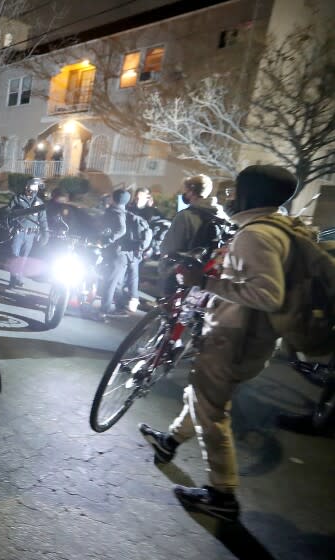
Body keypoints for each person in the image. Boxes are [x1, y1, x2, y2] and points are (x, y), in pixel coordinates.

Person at [138, 165, 300, 522]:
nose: (230, 195)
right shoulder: (278, 228)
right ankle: (169, 442)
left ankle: (222, 495)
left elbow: (267, 294)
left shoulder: (255, 235)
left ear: (252, 194)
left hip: (235, 340)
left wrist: (205, 283)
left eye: (237, 189)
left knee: (212, 414)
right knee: (201, 395)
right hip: (246, 337)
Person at [158, 175, 230, 294]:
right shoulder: (223, 216)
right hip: (211, 276)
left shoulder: (185, 216)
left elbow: (169, 247)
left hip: (184, 274)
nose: (184, 195)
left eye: (185, 191)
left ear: (191, 192)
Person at [97, 188, 137, 318]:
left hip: (117, 253)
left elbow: (121, 230)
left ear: (113, 199)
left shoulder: (116, 213)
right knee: (116, 282)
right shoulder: (121, 212)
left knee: (111, 282)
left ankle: (105, 309)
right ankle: (120, 306)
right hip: (120, 254)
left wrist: (107, 241)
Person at [6, 177, 48, 289]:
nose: (27, 189)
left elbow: (43, 221)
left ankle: (18, 279)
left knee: (24, 258)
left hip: (30, 235)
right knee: (15, 256)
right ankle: (13, 280)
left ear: (35, 189)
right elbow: (7, 214)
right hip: (18, 233)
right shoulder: (17, 199)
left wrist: (45, 235)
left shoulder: (39, 203)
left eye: (30, 187)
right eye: (27, 187)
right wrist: (10, 226)